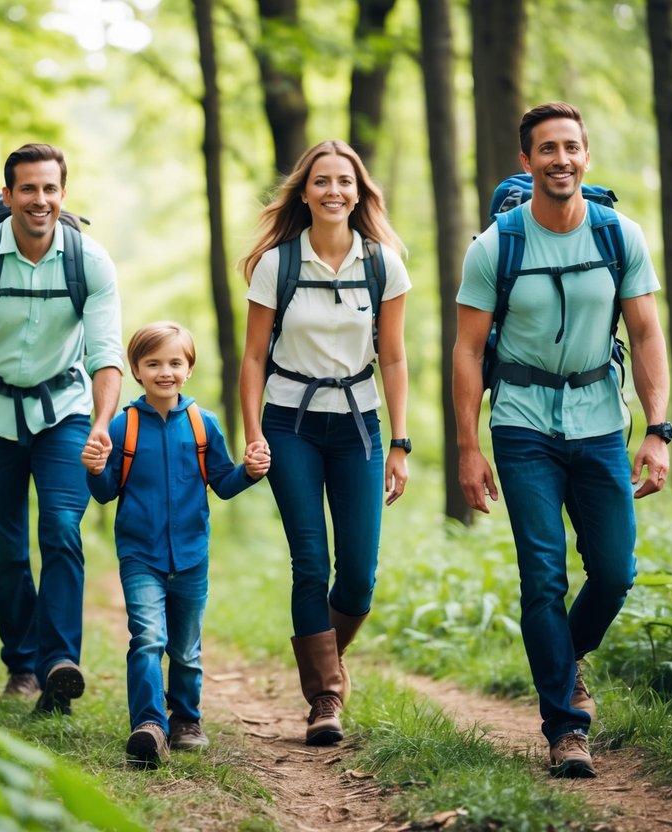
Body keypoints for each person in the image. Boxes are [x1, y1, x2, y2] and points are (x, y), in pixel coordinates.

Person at [453, 101, 672, 778]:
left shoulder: (617, 236)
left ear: (586, 155)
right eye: (545, 149)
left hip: (601, 421)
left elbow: (643, 334)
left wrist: (658, 428)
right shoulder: (495, 246)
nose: (560, 160)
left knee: (613, 571)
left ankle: (560, 658)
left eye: (570, 147)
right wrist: (467, 446)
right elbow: (465, 352)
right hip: (520, 427)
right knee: (542, 576)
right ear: (526, 161)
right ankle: (565, 728)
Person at [0, 143, 124, 714]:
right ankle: (22, 662)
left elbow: (107, 354)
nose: (39, 200)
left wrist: (101, 424)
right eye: (28, 189)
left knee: (63, 531)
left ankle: (59, 665)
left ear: (62, 195)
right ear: (8, 196)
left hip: (63, 411)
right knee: (7, 551)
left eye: (49, 189)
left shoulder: (90, 261)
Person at [238, 140, 411, 746]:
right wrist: (254, 432)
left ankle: (323, 663)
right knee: (310, 561)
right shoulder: (276, 264)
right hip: (290, 423)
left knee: (359, 573)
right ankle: (326, 697)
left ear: (360, 192)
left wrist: (402, 441)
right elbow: (254, 356)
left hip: (360, 425)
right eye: (322, 182)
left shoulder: (384, 263)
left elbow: (393, 356)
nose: (334, 191)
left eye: (345, 181)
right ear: (304, 192)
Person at [82, 321, 269, 767]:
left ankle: (186, 720)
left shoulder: (203, 425)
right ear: (136, 370)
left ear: (189, 368)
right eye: (153, 363)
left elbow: (222, 483)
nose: (164, 371)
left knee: (185, 648)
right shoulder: (123, 425)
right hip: (139, 554)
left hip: (190, 556)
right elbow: (106, 491)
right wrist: (93, 468)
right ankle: (149, 726)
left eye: (174, 362)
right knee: (147, 638)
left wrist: (249, 471)